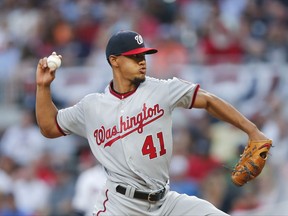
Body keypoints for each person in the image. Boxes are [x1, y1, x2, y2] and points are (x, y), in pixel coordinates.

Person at [35, 30, 270, 216]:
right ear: (114, 61)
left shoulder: (162, 89)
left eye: (143, 55)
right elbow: (49, 126)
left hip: (165, 202)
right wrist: (43, 87)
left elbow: (208, 101)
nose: (142, 61)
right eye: (135, 56)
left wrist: (252, 130)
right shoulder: (91, 106)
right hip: (120, 206)